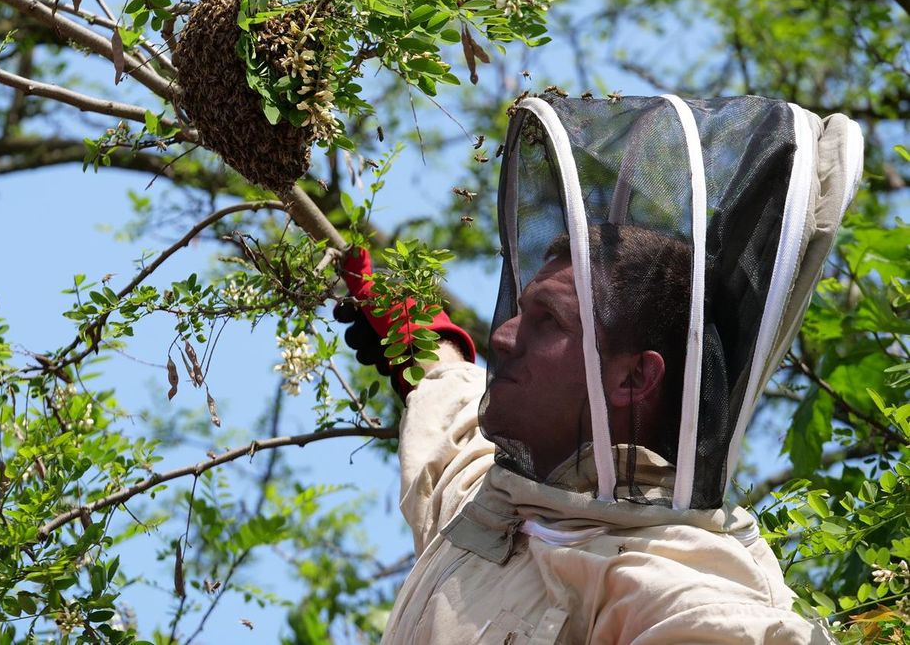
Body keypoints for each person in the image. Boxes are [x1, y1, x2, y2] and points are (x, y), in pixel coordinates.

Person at [336, 94, 865, 644]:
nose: (502, 336)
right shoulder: (490, 507)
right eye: (520, 310)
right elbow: (454, 432)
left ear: (634, 378)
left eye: (549, 321)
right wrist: (428, 343)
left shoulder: (667, 583)